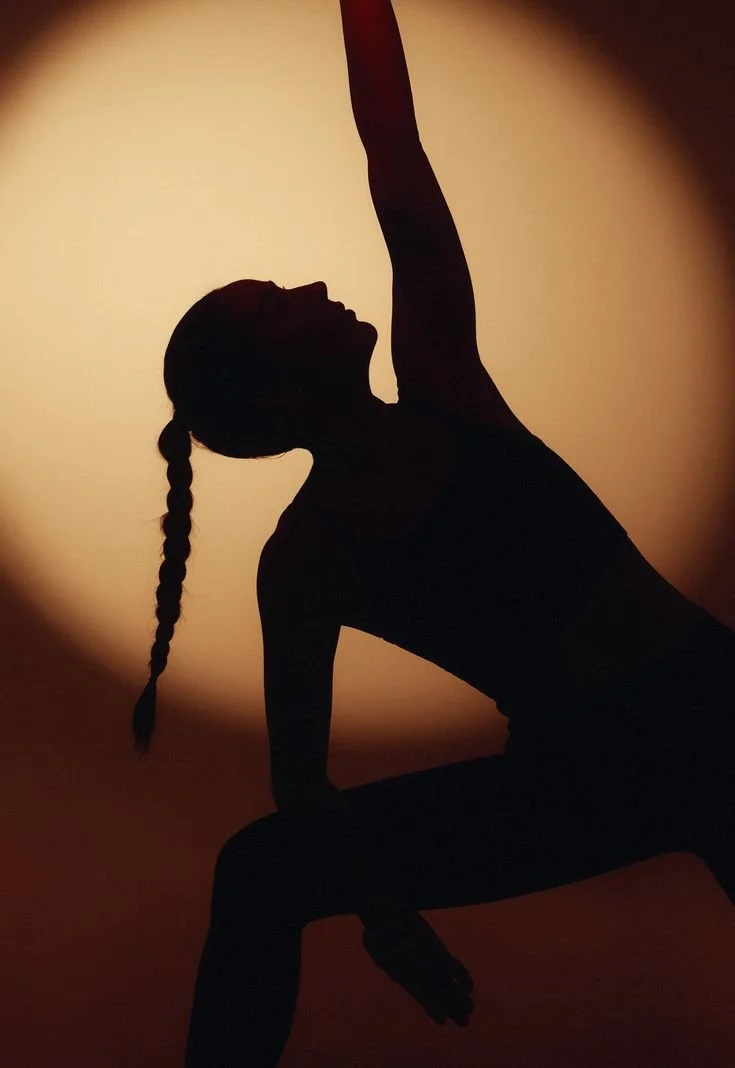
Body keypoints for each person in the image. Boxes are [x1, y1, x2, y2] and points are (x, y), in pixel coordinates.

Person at [132, 2, 735, 1064]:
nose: (314, 287)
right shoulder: (309, 557)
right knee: (258, 871)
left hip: (712, 714)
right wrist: (390, 924)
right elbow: (301, 783)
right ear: (271, 393)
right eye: (277, 306)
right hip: (579, 780)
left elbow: (392, 146)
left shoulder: (445, 385)